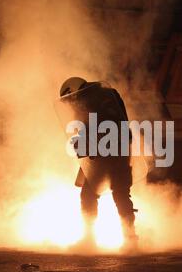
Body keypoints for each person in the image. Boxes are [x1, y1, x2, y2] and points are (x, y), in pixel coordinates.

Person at [59, 77, 138, 250]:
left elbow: (92, 127)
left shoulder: (87, 100)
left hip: (103, 152)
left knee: (88, 195)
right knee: (121, 193)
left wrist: (84, 146)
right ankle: (131, 239)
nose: (70, 103)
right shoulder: (109, 93)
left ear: (73, 91)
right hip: (122, 149)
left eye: (69, 98)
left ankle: (88, 239)